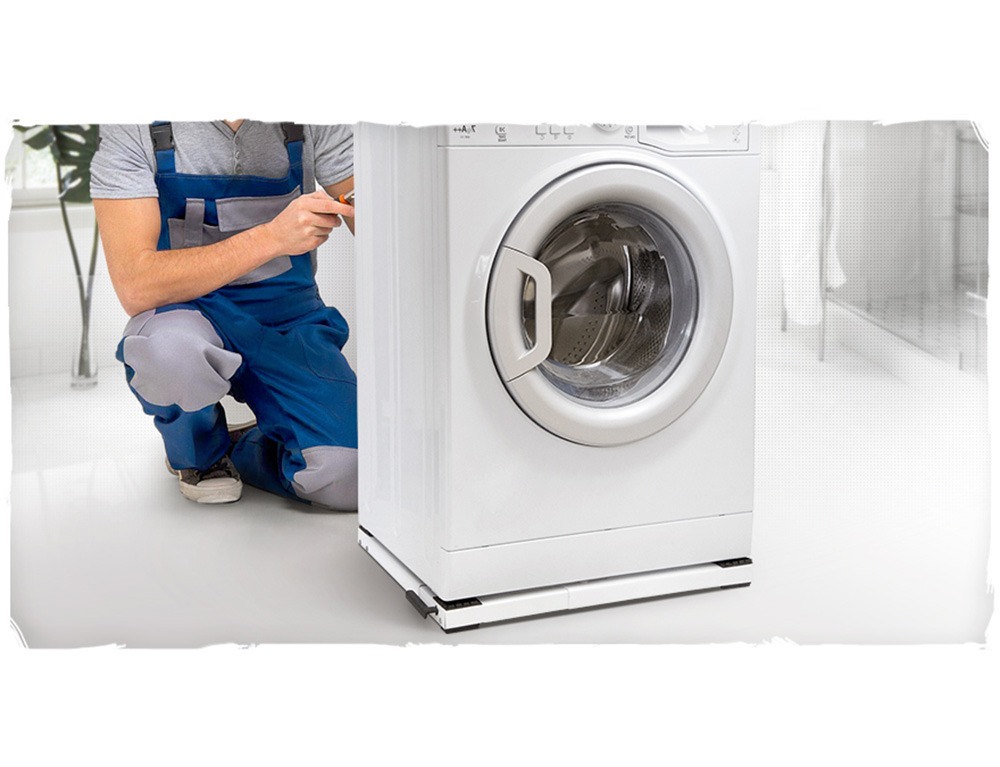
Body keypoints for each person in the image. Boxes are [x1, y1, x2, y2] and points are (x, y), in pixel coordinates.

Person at [91, 121, 358, 510]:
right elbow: (136, 285)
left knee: (348, 476)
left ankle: (245, 445)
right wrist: (271, 237)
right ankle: (200, 453)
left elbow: (384, 220)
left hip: (289, 321)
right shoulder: (134, 126)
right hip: (187, 313)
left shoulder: (315, 115)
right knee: (168, 354)